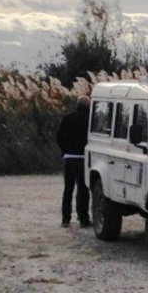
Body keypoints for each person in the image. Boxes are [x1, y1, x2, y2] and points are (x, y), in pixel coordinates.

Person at [56, 95, 92, 228]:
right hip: (84, 158)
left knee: (68, 189)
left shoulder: (67, 118)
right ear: (88, 105)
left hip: (70, 157)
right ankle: (83, 219)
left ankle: (66, 219)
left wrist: (65, 150)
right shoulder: (91, 119)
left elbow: (59, 136)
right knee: (83, 190)